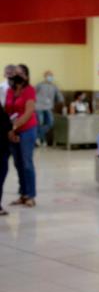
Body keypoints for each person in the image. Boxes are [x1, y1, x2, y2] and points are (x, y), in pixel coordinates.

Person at [5, 73, 38, 207]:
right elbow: (7, 110)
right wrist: (10, 130)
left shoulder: (29, 90)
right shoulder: (9, 91)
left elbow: (28, 112)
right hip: (13, 129)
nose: (12, 79)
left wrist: (15, 126)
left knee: (26, 163)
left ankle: (30, 195)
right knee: (18, 164)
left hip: (27, 130)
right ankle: (23, 194)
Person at [34, 70, 64, 146]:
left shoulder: (54, 87)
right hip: (39, 107)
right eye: (48, 76)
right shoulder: (39, 85)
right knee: (40, 123)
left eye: (51, 76)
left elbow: (60, 97)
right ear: (45, 77)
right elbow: (32, 94)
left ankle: (37, 137)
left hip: (48, 108)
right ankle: (42, 140)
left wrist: (62, 101)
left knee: (50, 123)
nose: (50, 77)